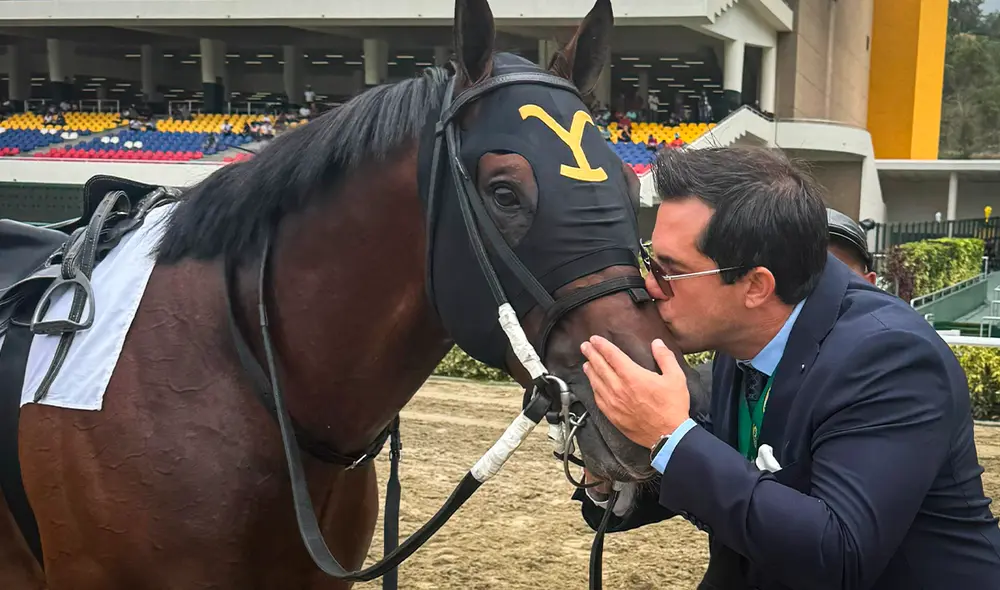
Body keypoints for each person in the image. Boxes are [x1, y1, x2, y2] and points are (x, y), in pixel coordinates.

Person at [574, 146, 1000, 590]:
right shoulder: (742, 336)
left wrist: (669, 436)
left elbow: (839, 556)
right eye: (649, 261)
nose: (650, 286)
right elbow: (721, 481)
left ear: (756, 286)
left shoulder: (891, 357)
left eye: (670, 272)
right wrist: (609, 471)